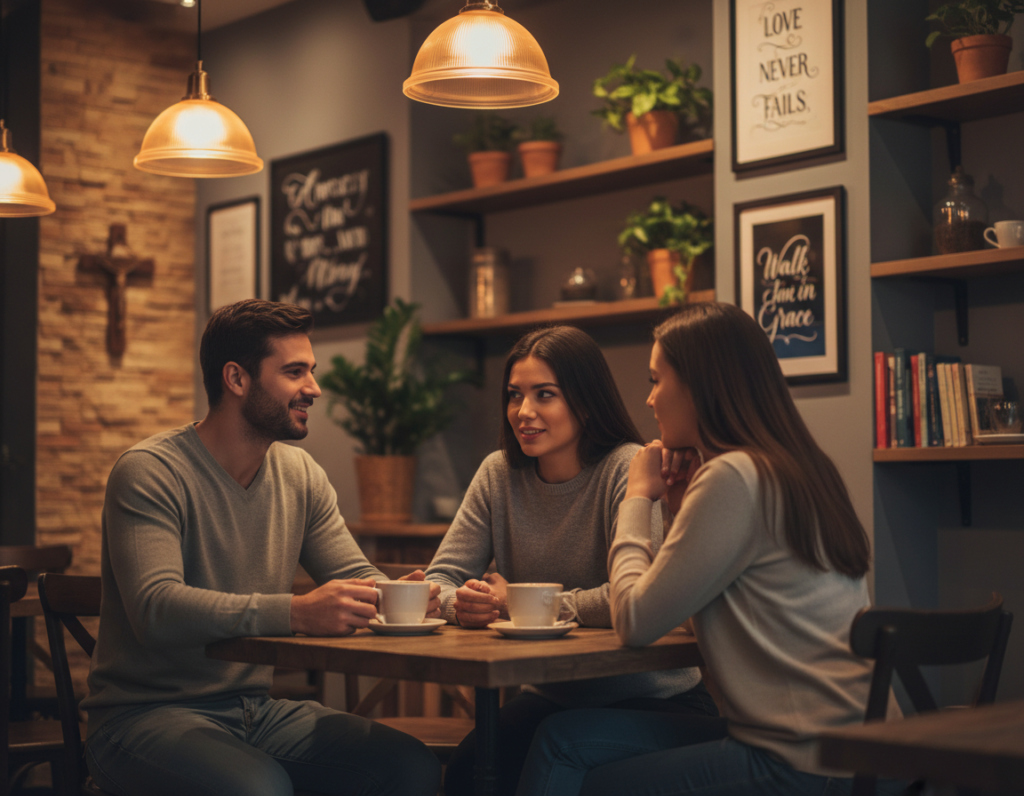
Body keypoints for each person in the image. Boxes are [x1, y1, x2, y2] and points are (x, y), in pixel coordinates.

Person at [514, 302, 906, 796]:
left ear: (700, 384)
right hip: (867, 750)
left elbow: (634, 621)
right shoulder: (797, 467)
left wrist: (638, 497)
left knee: (582, 767)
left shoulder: (733, 477)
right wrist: (678, 511)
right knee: (560, 737)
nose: (650, 399)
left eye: (657, 380)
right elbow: (690, 611)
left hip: (802, 760)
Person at [82, 299, 442, 796]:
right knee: (259, 789)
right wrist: (295, 612)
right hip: (140, 719)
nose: (314, 388)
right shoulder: (150, 471)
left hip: (257, 711)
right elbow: (156, 610)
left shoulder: (300, 475)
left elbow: (356, 575)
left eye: (310, 371)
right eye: (295, 372)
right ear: (236, 379)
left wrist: (409, 596)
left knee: (411, 767)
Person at [425, 325, 723, 796]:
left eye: (545, 395)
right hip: (550, 695)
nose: (524, 413)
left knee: (547, 760)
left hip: (653, 697)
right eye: (515, 395)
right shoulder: (497, 473)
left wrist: (515, 604)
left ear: (585, 401)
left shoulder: (628, 467)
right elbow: (441, 577)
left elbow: (633, 594)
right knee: (468, 773)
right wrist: (458, 605)